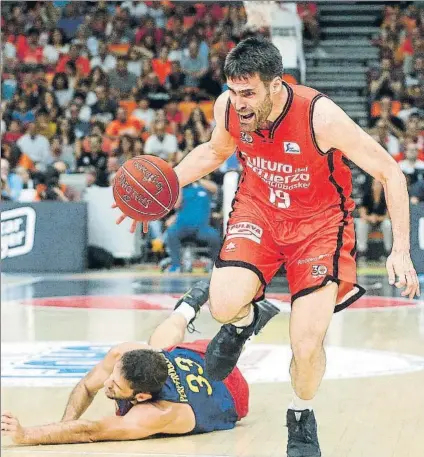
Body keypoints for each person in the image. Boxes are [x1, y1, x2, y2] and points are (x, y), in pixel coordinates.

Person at [114, 37, 420, 457]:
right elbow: (214, 150)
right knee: (221, 306)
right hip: (258, 212)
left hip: (319, 226)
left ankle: (300, 415)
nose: (238, 103)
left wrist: (400, 248)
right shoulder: (228, 107)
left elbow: (390, 171)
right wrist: (161, 187)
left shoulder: (320, 115)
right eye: (233, 91)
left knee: (306, 346)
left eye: (248, 93)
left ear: (276, 85)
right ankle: (242, 321)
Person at [1, 282, 277, 445]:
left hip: (230, 394)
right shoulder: (125, 355)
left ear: (142, 396)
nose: (106, 383)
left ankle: (243, 330)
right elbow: (87, 386)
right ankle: (187, 307)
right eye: (112, 377)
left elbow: (90, 431)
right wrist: (62, 426)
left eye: (115, 385)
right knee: (159, 347)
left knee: (163, 346)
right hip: (197, 357)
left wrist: (28, 435)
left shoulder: (154, 414)